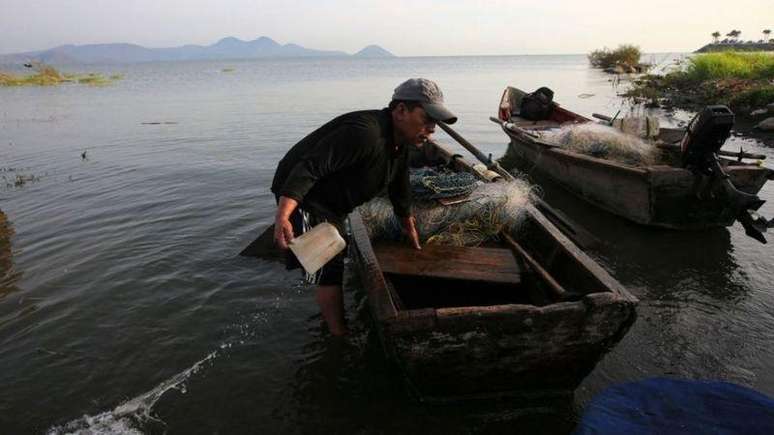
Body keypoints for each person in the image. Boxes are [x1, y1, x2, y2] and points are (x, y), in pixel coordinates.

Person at [271, 78, 457, 336]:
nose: (432, 129)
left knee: (337, 241)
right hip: (307, 194)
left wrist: (409, 227)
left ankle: (304, 250)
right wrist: (283, 216)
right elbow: (309, 167)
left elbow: (399, 184)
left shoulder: (401, 140)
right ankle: (338, 335)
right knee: (330, 262)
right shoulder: (365, 133)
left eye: (435, 123)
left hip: (336, 199)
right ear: (401, 111)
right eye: (427, 119)